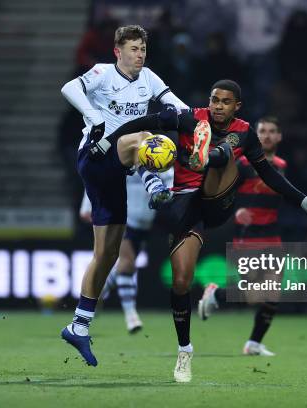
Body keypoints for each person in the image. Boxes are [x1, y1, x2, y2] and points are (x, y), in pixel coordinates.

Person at [98, 79, 307, 382]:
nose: (218, 106)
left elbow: (268, 173)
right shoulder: (188, 117)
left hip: (219, 199)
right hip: (185, 206)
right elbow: (147, 121)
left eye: (225, 102)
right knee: (181, 280)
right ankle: (185, 351)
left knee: (227, 153)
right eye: (214, 100)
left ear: (237, 106)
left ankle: (208, 155)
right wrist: (108, 139)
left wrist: (303, 200)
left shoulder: (245, 131)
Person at [59, 25, 187, 367]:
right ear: (118, 51)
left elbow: (178, 106)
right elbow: (69, 87)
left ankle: (78, 326)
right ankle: (154, 185)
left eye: (143, 48)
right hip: (95, 154)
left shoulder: (149, 78)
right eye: (133, 48)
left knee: (107, 254)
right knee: (145, 134)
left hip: (116, 171)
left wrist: (201, 123)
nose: (140, 54)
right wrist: (92, 113)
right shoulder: (102, 73)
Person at [198, 116, 286, 357]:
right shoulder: (243, 164)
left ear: (279, 137)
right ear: (255, 136)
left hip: (272, 235)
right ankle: (215, 294)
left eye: (272, 131)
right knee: (255, 295)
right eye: (262, 131)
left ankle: (254, 344)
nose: (267, 135)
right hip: (247, 236)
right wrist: (236, 210)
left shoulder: (281, 165)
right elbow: (221, 192)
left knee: (273, 293)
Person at [80, 168, 174, 334]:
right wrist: (87, 205)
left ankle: (96, 294)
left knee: (123, 268)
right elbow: (100, 178)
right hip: (122, 218)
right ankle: (131, 315)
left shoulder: (161, 161)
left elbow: (172, 190)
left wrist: (167, 195)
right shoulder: (125, 158)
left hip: (144, 225)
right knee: (127, 264)